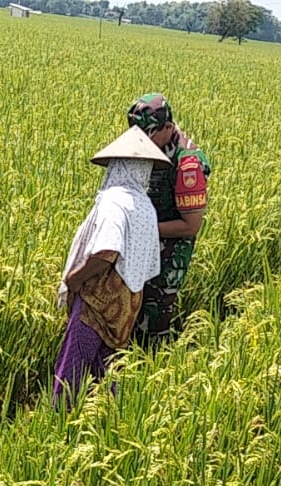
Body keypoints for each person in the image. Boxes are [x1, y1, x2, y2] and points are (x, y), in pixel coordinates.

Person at [51, 126, 170, 404]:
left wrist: (75, 279)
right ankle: (107, 419)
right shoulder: (144, 206)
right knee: (108, 369)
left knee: (74, 365)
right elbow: (149, 265)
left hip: (99, 300)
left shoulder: (115, 202)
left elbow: (107, 250)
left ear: (119, 165)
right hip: (128, 304)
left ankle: (58, 420)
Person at [126, 92, 211, 347]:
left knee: (153, 319)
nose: (144, 140)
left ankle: (150, 371)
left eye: (150, 133)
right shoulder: (152, 145)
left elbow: (191, 225)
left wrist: (142, 227)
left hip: (169, 255)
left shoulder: (188, 166)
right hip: (146, 242)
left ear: (169, 128)